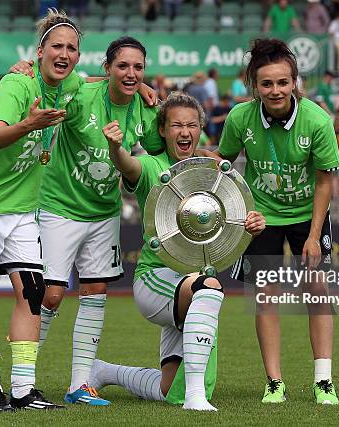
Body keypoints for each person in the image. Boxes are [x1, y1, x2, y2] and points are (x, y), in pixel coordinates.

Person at [0, 9, 83, 412]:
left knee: (33, 293)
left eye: (72, 48)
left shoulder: (71, 83)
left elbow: (95, 83)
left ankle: (23, 389)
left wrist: (138, 86)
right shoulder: (16, 84)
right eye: (56, 46)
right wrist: (29, 124)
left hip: (21, 208)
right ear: (39, 52)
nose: (64, 53)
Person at [93, 92, 265, 411]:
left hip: (186, 286)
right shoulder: (152, 166)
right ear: (163, 130)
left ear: (200, 129)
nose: (184, 131)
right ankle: (196, 398)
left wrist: (250, 224)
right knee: (209, 287)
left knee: (169, 389)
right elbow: (128, 166)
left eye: (191, 125)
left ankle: (104, 371)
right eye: (176, 125)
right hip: (155, 280)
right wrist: (116, 148)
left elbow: (231, 221)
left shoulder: (212, 174)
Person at [34, 36, 164, 407]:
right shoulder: (84, 97)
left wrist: (149, 92)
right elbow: (51, 86)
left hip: (104, 212)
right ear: (107, 68)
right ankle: (23, 378)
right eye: (123, 66)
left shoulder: (145, 109)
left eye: (138, 67)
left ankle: (80, 385)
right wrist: (25, 68)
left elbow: (163, 149)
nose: (131, 73)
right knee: (52, 294)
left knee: (95, 293)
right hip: (60, 207)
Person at [217, 38, 339, 405]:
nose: (275, 90)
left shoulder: (317, 120)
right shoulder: (240, 118)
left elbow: (324, 180)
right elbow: (221, 163)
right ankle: (274, 382)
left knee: (317, 290)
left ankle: (323, 381)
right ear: (254, 85)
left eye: (283, 82)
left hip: (308, 215)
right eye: (266, 83)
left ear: (294, 82)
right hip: (262, 217)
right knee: (265, 297)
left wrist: (314, 236)